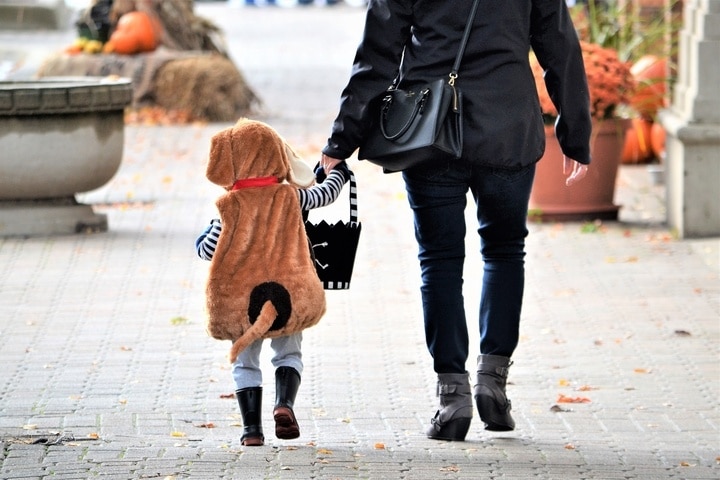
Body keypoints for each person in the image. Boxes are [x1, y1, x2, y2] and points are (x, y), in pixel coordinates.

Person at [319, 0, 592, 441]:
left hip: (430, 130)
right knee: (505, 251)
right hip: (508, 128)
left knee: (439, 260)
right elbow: (558, 46)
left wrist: (341, 140)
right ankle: (493, 380)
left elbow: (377, 55)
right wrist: (575, 133)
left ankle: (452, 395)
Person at [196, 123, 351, 447]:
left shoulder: (229, 206)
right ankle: (284, 404)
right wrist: (338, 171)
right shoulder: (291, 195)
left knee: (245, 361)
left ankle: (251, 430)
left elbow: (208, 250)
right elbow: (326, 194)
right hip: (289, 292)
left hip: (242, 302)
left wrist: (202, 240)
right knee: (289, 352)